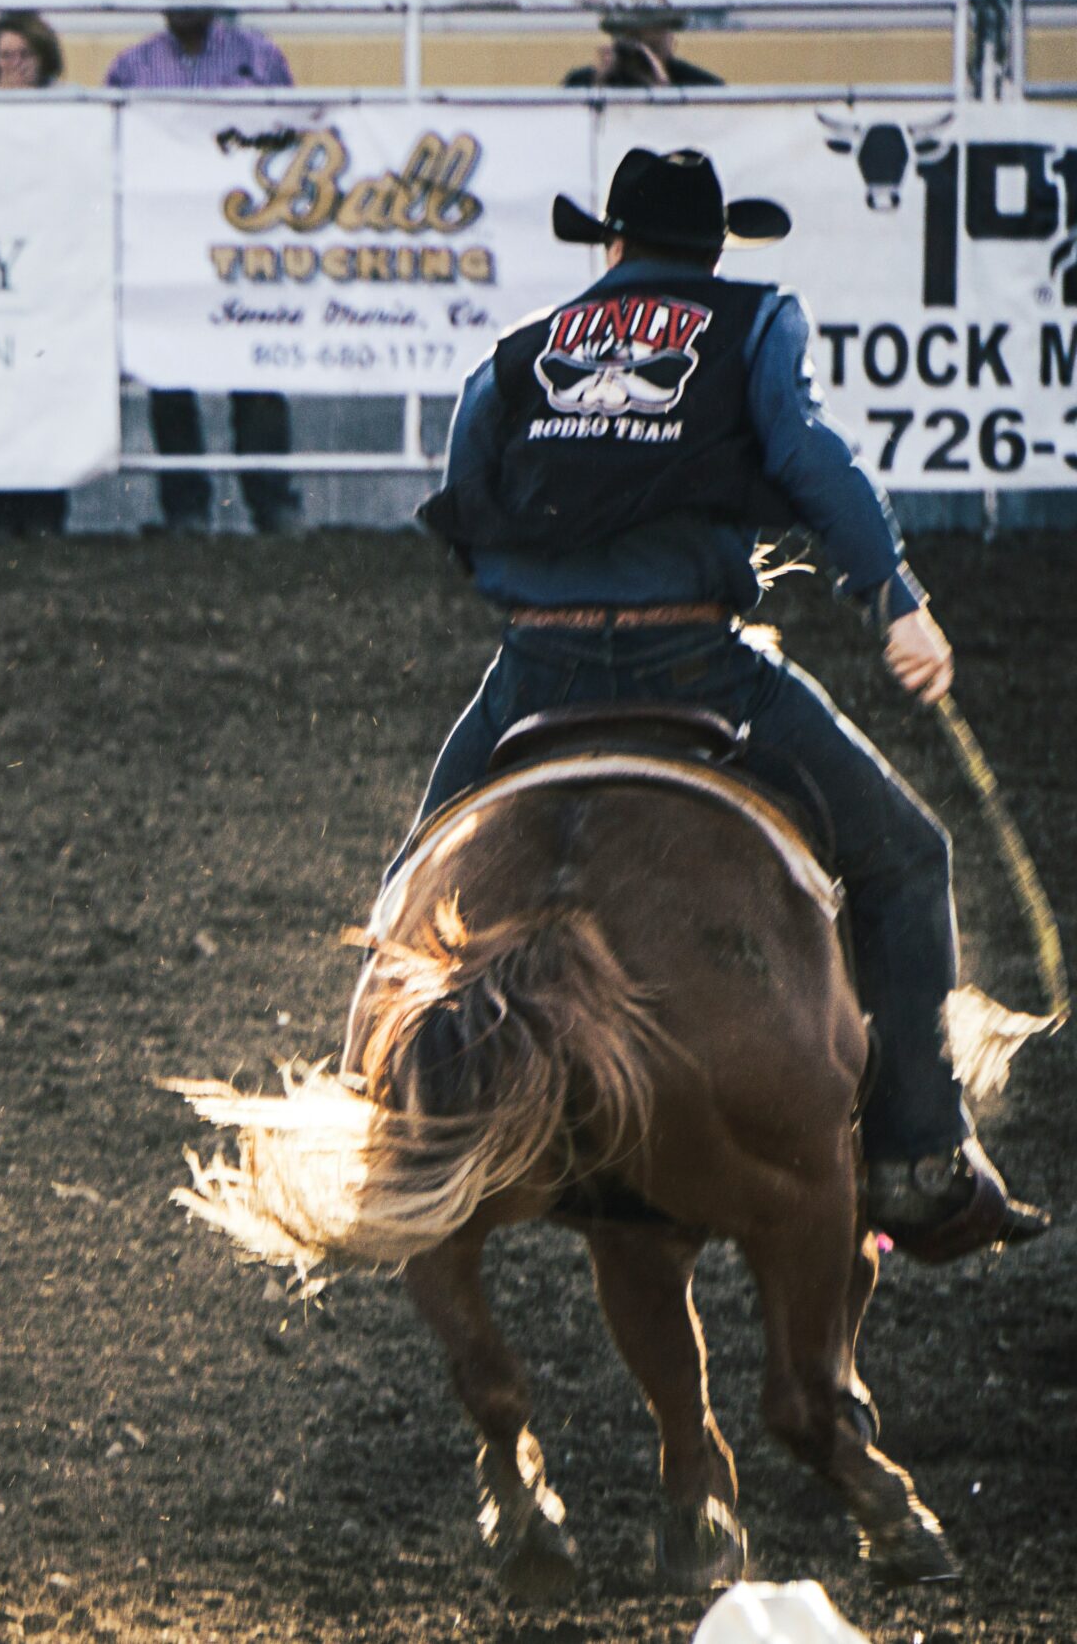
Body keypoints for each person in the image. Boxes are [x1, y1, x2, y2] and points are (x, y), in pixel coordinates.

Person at [410, 146, 1046, 1261]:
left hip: (535, 670)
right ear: (711, 250)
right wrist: (893, 599)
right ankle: (913, 1152)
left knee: (416, 876)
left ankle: (388, 1113)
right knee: (904, 856)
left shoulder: (517, 351)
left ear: (609, 244)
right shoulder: (751, 323)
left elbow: (468, 485)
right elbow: (810, 461)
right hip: (695, 668)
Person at [106, 0, 301, 536]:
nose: (184, 3)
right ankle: (189, 508)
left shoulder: (260, 57)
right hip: (164, 235)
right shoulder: (131, 67)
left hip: (243, 236)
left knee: (255, 367)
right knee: (171, 372)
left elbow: (290, 137)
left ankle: (269, 502)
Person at [0, 9, 74, 538]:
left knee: (42, 394)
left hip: (48, 275)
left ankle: (43, 511)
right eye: (3, 56)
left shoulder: (70, 118)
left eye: (22, 54)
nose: (12, 65)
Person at [562, 0, 724, 90]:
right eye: (632, 42)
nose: (642, 56)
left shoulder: (700, 86)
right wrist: (598, 86)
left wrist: (668, 96)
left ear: (671, 41)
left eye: (652, 47)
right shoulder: (580, 82)